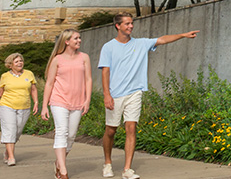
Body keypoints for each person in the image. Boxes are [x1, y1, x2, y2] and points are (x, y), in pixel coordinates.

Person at [98, 13, 199, 179]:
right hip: (115, 94)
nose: (131, 26)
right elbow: (105, 71)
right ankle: (107, 163)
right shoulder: (108, 47)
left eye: (131, 23)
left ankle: (127, 169)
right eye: (127, 24)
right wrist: (106, 94)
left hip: (135, 92)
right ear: (118, 26)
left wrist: (183, 35)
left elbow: (162, 39)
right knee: (111, 130)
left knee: (131, 128)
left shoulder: (141, 43)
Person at [42, 29, 92, 179]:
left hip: (77, 101)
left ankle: (59, 162)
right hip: (59, 100)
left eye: (79, 38)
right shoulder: (57, 59)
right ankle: (63, 171)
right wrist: (44, 105)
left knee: (71, 135)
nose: (79, 40)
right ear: (67, 41)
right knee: (61, 132)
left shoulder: (84, 57)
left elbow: (88, 79)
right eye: (76, 38)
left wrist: (87, 99)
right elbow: (49, 83)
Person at [0, 52, 38, 166]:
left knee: (17, 131)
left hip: (24, 106)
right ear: (10, 64)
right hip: (7, 105)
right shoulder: (5, 76)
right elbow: (1, 92)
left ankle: (7, 152)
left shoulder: (29, 74)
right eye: (17, 61)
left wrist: (36, 102)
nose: (20, 63)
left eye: (21, 61)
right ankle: (11, 157)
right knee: (9, 129)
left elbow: (33, 90)